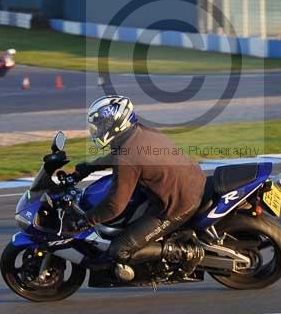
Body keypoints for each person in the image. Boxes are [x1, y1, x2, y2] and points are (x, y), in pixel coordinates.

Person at [69, 95, 206, 267]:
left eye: (102, 125)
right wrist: (90, 167)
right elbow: (121, 155)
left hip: (177, 205)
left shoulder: (127, 158)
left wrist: (85, 221)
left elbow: (114, 206)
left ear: (115, 125)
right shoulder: (137, 132)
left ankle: (185, 252)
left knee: (119, 249)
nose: (97, 130)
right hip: (191, 180)